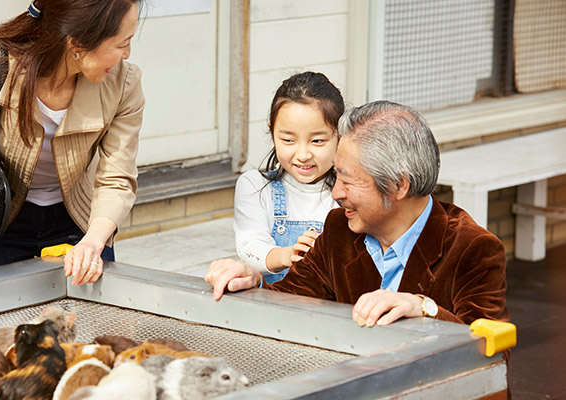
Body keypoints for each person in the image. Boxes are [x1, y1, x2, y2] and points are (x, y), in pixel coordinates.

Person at [206, 100, 509, 327]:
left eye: (347, 180)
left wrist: (424, 308)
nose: (336, 194)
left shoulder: (473, 248)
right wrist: (253, 281)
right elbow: (290, 300)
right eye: (335, 177)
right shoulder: (338, 229)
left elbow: (492, 352)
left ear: (398, 184)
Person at [0, 0, 145, 285]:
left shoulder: (124, 83)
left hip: (80, 222)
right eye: (121, 44)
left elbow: (117, 176)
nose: (128, 54)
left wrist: (94, 242)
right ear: (77, 43)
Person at [234, 72, 344, 284]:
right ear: (272, 132)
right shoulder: (256, 186)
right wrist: (287, 255)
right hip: (275, 305)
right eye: (288, 140)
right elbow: (250, 246)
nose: (303, 155)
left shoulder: (347, 191)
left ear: (340, 135)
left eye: (318, 141)